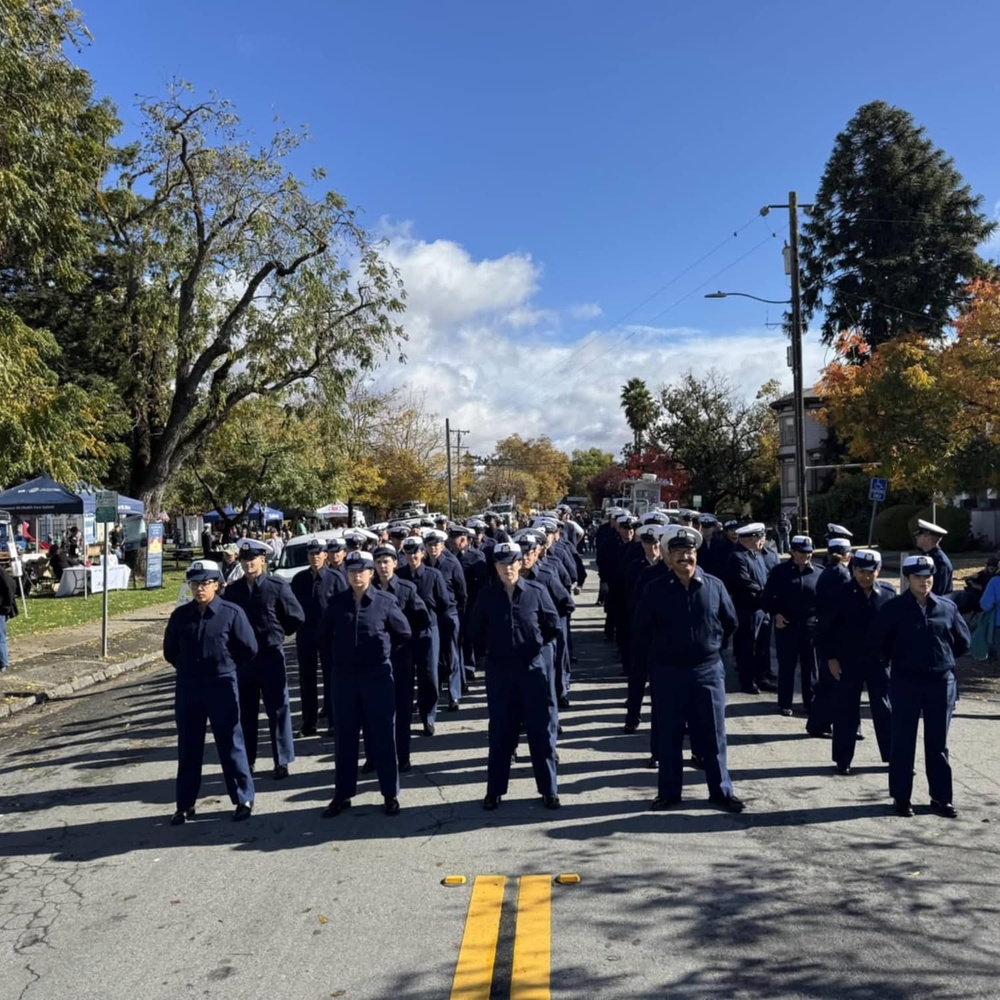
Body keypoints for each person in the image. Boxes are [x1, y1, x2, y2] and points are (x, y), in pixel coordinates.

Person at [633, 527, 744, 813]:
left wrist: (713, 648)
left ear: (697, 554)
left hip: (707, 671)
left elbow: (730, 621)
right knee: (669, 735)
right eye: (679, 553)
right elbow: (642, 631)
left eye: (690, 552)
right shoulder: (655, 589)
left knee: (713, 734)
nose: (685, 557)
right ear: (669, 557)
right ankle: (669, 793)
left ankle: (721, 792)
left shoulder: (714, 586)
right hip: (668, 672)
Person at [870, 554, 970, 817]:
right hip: (906, 681)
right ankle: (901, 798)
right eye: (918, 577)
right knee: (903, 741)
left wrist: (941, 658)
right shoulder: (893, 609)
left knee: (938, 743)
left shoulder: (946, 607)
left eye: (928, 577)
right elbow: (879, 643)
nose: (924, 582)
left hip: (940, 682)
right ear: (908, 579)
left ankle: (941, 798)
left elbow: (962, 642)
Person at [467, 542, 561, 810]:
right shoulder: (487, 595)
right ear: (495, 566)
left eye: (512, 563)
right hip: (500, 672)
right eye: (501, 563)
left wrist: (535, 646)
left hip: (532, 670)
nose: (507, 568)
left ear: (520, 563)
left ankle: (549, 789)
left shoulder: (536, 591)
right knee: (500, 733)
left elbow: (553, 625)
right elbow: (474, 631)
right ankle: (495, 790)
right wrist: (493, 651)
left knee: (540, 732)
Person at [162, 560, 257, 824]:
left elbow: (248, 648)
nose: (199, 589)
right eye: (194, 584)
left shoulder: (231, 613)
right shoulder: (181, 616)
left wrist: (226, 666)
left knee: (230, 743)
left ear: (217, 584)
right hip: (189, 688)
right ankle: (185, 805)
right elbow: (171, 651)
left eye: (205, 583)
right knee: (189, 747)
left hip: (221, 685)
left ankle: (243, 798)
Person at [320, 550, 412, 818]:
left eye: (362, 571)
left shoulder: (385, 602)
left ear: (371, 573)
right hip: (345, 680)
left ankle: (389, 794)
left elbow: (404, 632)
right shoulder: (336, 603)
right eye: (351, 571)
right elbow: (323, 636)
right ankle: (342, 795)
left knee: (383, 737)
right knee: (345, 738)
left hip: (377, 678)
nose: (356, 575)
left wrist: (382, 654)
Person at [224, 538, 305, 779]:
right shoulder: (234, 590)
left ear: (263, 560)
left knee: (278, 709)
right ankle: (247, 761)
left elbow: (296, 616)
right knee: (246, 713)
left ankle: (281, 760)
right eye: (245, 559)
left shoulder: (276, 586)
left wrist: (278, 633)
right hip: (244, 660)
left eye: (253, 559)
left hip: (270, 655)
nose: (249, 563)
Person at [821, 548, 895, 775]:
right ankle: (843, 759)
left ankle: (894, 757)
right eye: (861, 571)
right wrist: (831, 658)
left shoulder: (888, 594)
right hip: (847, 661)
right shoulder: (839, 594)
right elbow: (826, 630)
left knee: (885, 710)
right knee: (846, 711)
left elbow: (895, 630)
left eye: (871, 571)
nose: (866, 576)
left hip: (878, 662)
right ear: (853, 569)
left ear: (878, 571)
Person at [372, 544, 429, 772]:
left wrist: (407, 641)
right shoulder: (369, 589)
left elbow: (422, 619)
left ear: (396, 563)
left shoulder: (406, 589)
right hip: (375, 660)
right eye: (378, 562)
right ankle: (374, 756)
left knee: (402, 709)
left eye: (387, 561)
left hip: (400, 658)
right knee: (374, 711)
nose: (383, 566)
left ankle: (403, 756)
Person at [397, 536, 454, 735]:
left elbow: (444, 603)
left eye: (416, 552)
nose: (412, 556)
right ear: (403, 554)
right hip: (404, 634)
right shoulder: (399, 576)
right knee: (404, 677)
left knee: (429, 676)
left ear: (422, 553)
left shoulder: (433, 575)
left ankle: (428, 716)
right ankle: (403, 717)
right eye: (408, 552)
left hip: (428, 631)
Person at [290, 540, 345, 737]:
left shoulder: (336, 578)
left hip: (329, 636)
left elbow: (344, 607)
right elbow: (291, 607)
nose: (315, 557)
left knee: (331, 678)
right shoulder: (299, 579)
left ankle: (333, 721)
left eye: (318, 553)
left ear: (325, 555)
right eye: (311, 553)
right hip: (306, 635)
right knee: (307, 679)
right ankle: (308, 723)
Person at [763, 535, 820, 716]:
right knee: (787, 666)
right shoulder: (779, 572)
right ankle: (785, 703)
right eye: (802, 552)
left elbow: (826, 600)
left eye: (809, 552)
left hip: (810, 627)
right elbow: (766, 599)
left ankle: (809, 702)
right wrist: (776, 614)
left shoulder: (819, 572)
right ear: (793, 552)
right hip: (786, 626)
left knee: (810, 667)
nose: (806, 556)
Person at [724, 522, 776, 695]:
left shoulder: (755, 554)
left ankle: (762, 677)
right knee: (747, 647)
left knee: (762, 646)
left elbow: (765, 577)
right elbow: (744, 583)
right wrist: (764, 594)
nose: (763, 541)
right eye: (761, 537)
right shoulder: (737, 557)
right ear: (752, 538)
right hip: (747, 609)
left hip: (762, 608)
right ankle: (747, 681)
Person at [913, 519, 953, 596]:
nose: (916, 537)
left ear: (927, 537)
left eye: (919, 535)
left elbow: (938, 592)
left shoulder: (940, 562)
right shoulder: (926, 556)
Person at [0, 561, 18, 672]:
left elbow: (10, 584)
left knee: (0, 636)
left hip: (0, 608)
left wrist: (7, 605)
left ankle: (3, 662)